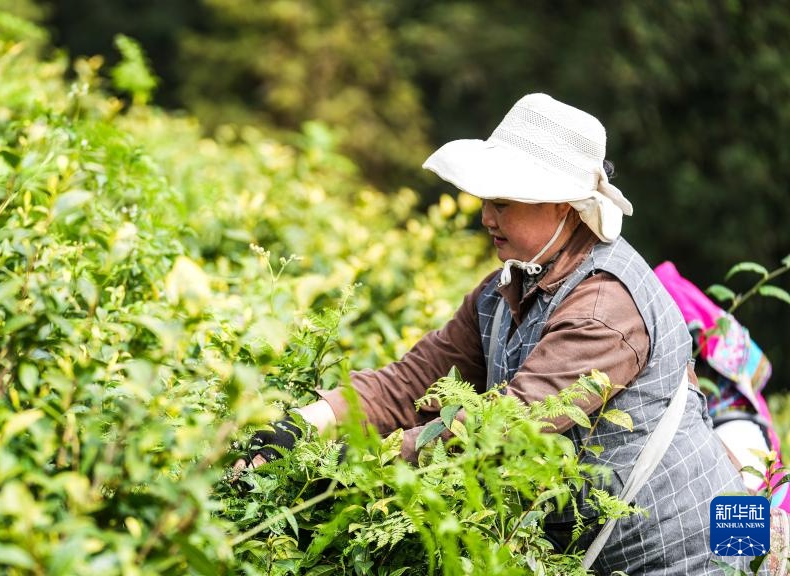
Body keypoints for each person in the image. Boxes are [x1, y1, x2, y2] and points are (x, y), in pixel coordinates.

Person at [236, 93, 749, 574]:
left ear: (563, 206)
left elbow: (504, 427)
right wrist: (306, 425)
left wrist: (351, 463)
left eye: (503, 203)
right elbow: (415, 381)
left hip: (693, 552)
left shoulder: (603, 309)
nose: (485, 217)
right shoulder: (507, 288)